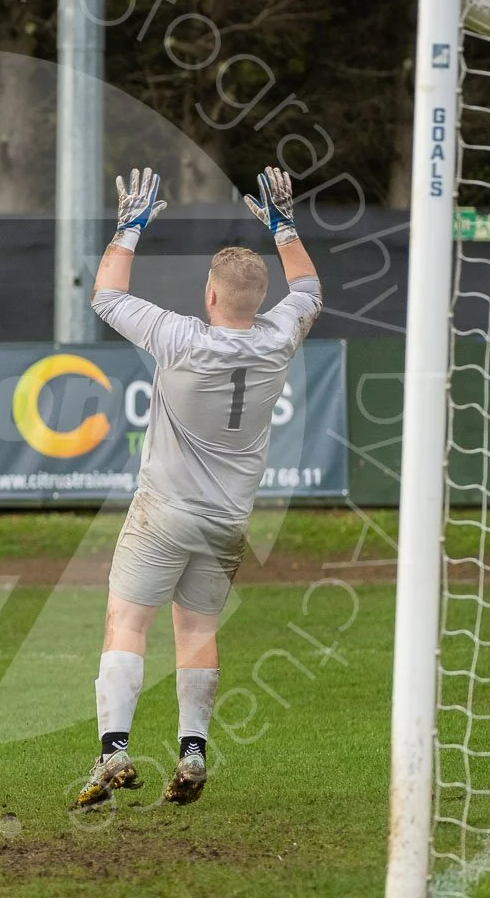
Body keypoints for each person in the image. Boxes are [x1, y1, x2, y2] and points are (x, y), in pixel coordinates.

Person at [74, 166, 323, 809]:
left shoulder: (180, 338)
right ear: (257, 301)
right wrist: (284, 225)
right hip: (227, 521)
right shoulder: (278, 338)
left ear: (210, 296)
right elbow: (309, 289)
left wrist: (128, 228)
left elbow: (104, 295)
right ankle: (191, 752)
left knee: (126, 620)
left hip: (165, 510)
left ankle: (114, 753)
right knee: (196, 631)